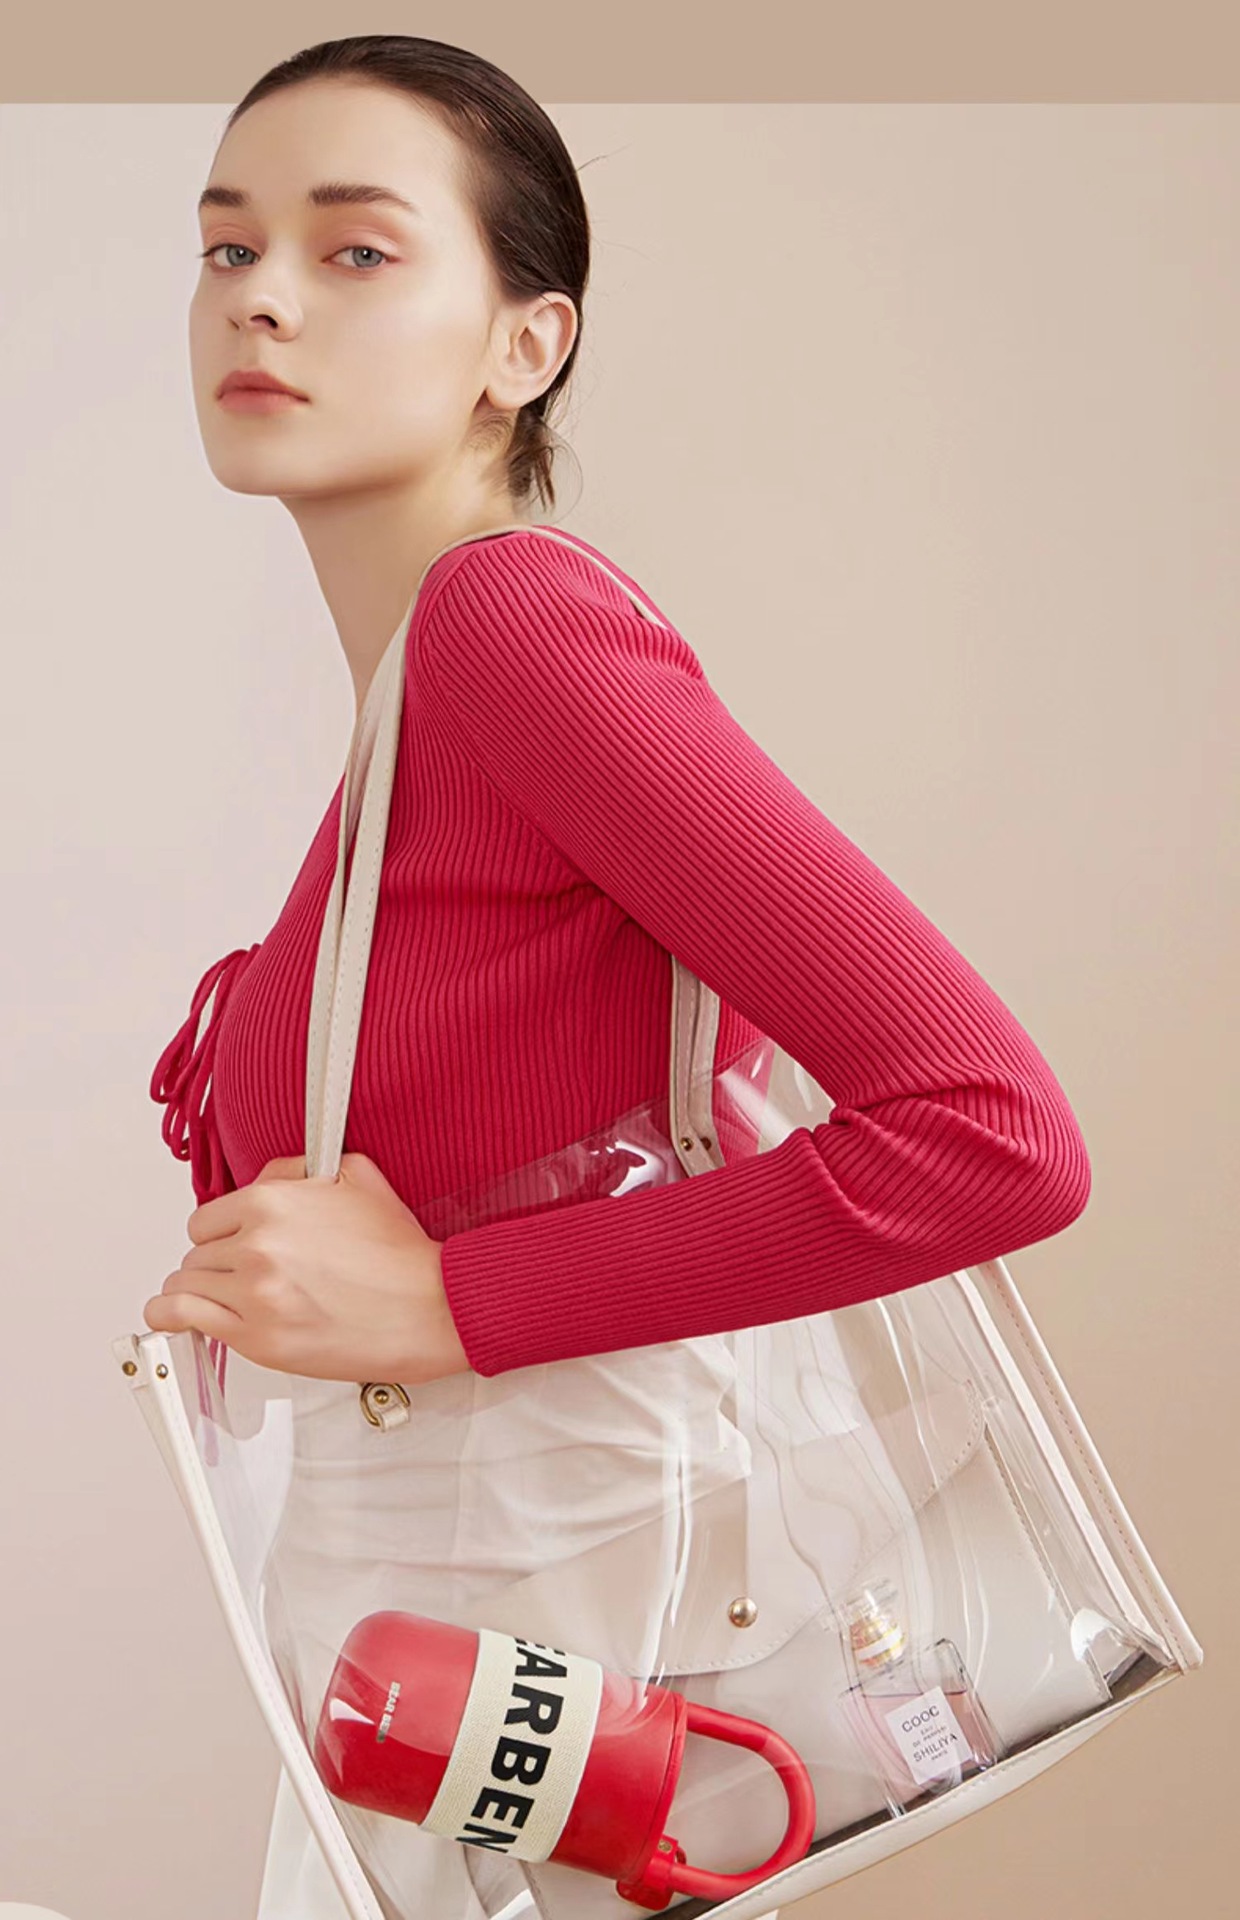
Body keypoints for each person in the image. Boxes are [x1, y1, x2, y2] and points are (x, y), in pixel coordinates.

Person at [144, 32, 1092, 1920]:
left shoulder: (510, 630)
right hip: (448, 1652)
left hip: (543, 1641)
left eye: (353, 250)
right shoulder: (419, 707)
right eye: (227, 246)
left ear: (526, 343)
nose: (261, 297)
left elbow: (995, 1135)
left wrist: (452, 1302)